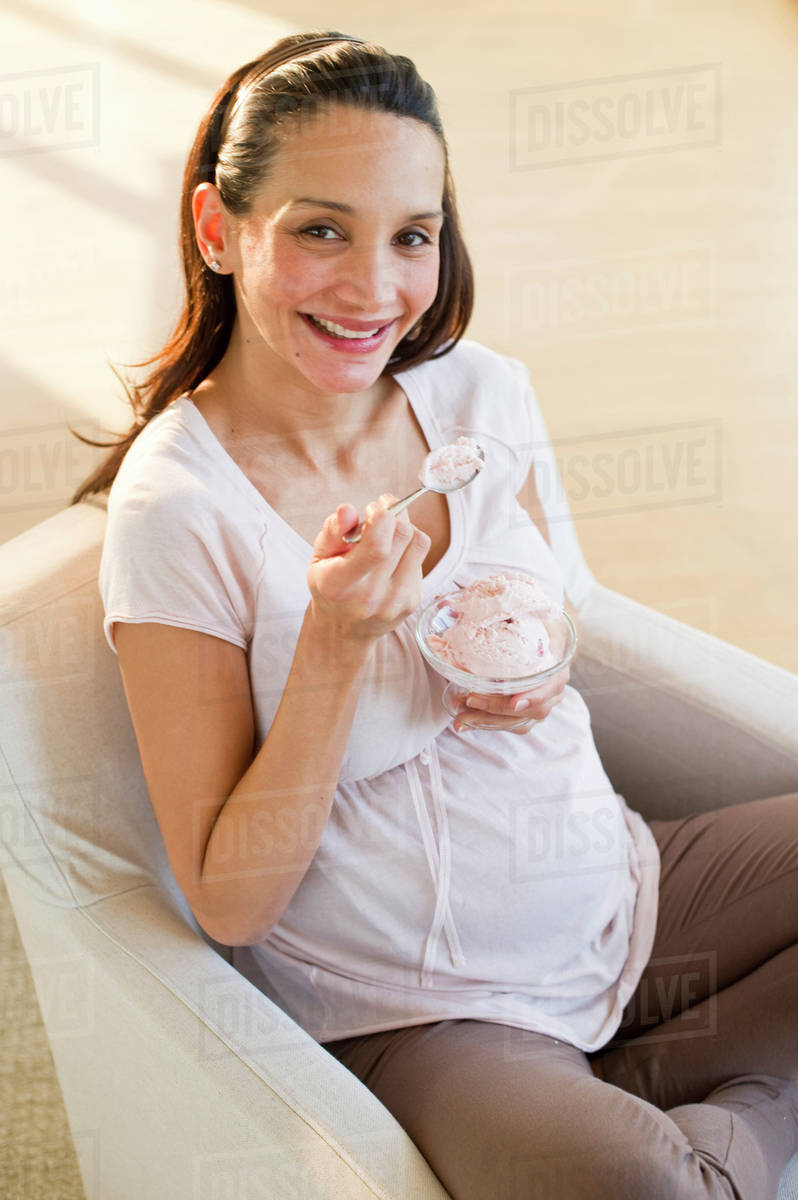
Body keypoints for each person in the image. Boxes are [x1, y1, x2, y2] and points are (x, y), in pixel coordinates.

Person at [72, 30, 798, 1200]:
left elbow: (557, 609)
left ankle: (681, 1100)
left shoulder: (478, 390)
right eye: (320, 229)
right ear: (218, 231)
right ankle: (696, 1122)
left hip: (621, 890)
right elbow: (228, 895)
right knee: (649, 1193)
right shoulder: (178, 509)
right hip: (426, 1008)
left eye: (411, 235)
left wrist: (541, 659)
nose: (375, 290)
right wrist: (338, 648)